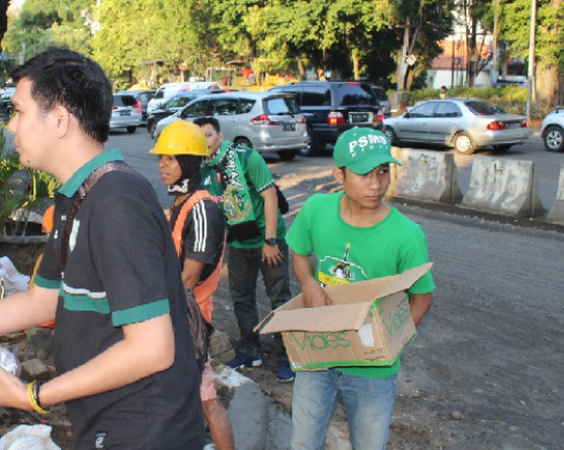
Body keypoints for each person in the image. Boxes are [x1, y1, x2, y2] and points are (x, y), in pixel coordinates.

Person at [0, 48, 204, 450]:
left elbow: (153, 349)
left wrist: (32, 397)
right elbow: (41, 302)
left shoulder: (116, 201)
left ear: (58, 120)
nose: (12, 127)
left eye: (18, 111)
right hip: (104, 421)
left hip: (144, 431)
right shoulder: (78, 197)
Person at [286, 127, 435, 450]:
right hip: (318, 354)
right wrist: (309, 282)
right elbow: (299, 252)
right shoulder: (316, 209)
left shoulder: (406, 235)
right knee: (302, 442)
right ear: (339, 174)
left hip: (372, 370)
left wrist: (391, 343)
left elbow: (422, 297)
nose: (377, 184)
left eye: (383, 172)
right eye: (364, 174)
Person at [151, 120, 234, 450]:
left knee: (205, 398)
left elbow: (187, 277)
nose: (162, 166)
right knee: (192, 397)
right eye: (161, 158)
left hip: (190, 319)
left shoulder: (201, 209)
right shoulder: (180, 203)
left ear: (189, 162)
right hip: (176, 314)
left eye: (171, 159)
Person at [195, 116, 295, 383]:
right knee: (241, 297)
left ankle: (286, 355)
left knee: (279, 298)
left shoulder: (246, 158)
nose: (204, 142)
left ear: (219, 135)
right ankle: (251, 349)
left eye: (208, 135)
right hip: (239, 240)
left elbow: (270, 195)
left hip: (268, 239)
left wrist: (271, 241)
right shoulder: (200, 167)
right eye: (199, 137)